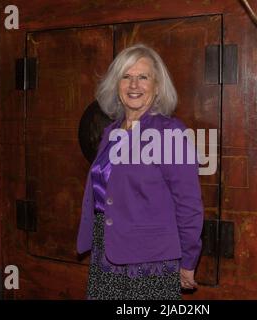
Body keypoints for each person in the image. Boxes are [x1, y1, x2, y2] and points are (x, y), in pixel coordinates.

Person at [77, 44, 204, 300]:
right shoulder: (111, 132)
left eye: (143, 77)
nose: (134, 85)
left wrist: (188, 260)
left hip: (149, 262)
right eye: (126, 76)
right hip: (107, 250)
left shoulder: (169, 133)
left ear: (157, 87)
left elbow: (189, 204)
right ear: (116, 85)